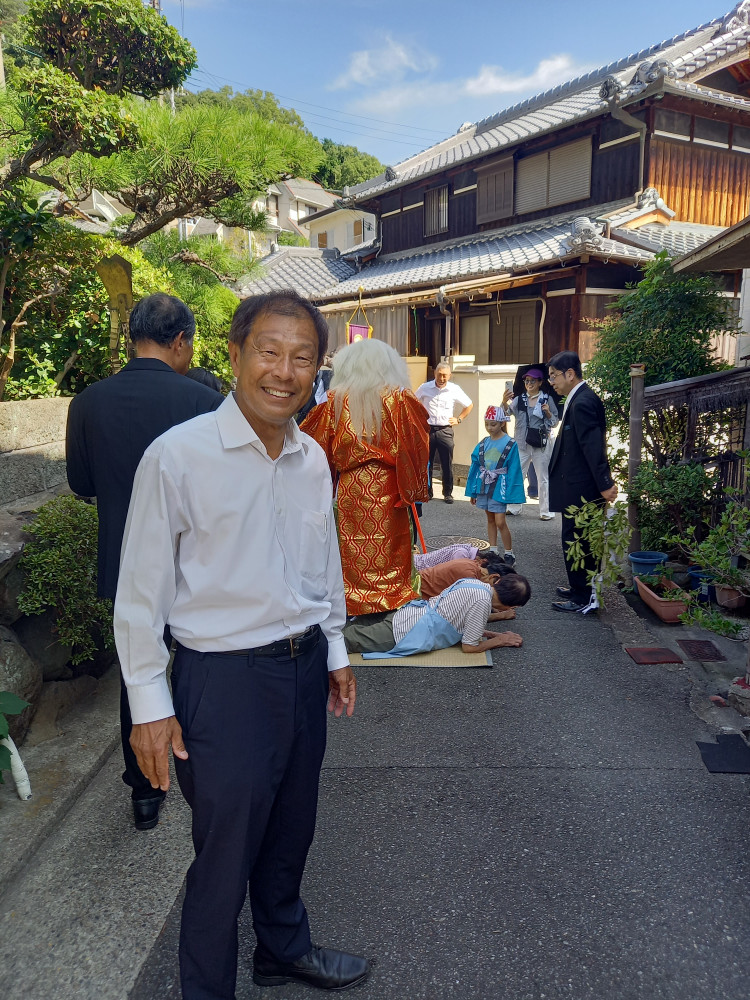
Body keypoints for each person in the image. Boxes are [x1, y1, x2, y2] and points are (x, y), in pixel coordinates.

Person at [113, 289, 369, 999]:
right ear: (233, 354)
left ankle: (282, 948)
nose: (284, 372)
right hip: (220, 681)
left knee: (292, 824)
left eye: (302, 358)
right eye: (269, 351)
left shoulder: (312, 457)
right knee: (225, 853)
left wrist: (337, 649)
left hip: (302, 666)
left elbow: (324, 564)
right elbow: (140, 594)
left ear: (317, 369)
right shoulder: (178, 457)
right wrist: (149, 707)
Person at [65, 292, 223, 831]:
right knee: (200, 667)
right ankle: (205, 769)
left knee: (140, 672)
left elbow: (80, 483)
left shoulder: (87, 402)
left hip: (122, 559)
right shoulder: (203, 403)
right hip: (195, 563)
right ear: (180, 341)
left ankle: (145, 792)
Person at [302, 338, 429, 616]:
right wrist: (413, 490)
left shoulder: (335, 400)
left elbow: (315, 447)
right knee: (390, 546)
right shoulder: (399, 398)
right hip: (388, 485)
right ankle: (392, 606)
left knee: (351, 547)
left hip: (351, 487)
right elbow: (415, 445)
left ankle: (352, 603)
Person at [547, 350, 617, 613]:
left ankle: (583, 597)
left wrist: (605, 484)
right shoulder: (577, 400)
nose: (552, 382)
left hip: (583, 490)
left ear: (570, 374)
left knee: (582, 541)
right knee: (575, 538)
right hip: (576, 488)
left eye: (554, 376)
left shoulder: (583, 402)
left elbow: (593, 448)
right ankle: (579, 589)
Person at [342, 577, 526, 657]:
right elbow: (470, 647)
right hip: (407, 631)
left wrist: (495, 635)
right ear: (512, 605)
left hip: (408, 614)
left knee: (350, 626)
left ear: (499, 581)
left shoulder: (473, 583)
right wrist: (501, 640)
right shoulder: (483, 603)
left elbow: (461, 626)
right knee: (347, 641)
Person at [465, 405, 525, 565]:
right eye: (487, 424)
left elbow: (514, 469)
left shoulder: (510, 443)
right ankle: (493, 550)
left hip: (500, 486)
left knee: (500, 521)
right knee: (490, 519)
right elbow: (475, 465)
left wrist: (513, 493)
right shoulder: (484, 443)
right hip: (484, 485)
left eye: (493, 424)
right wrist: (473, 491)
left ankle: (509, 552)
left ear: (502, 423)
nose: (489, 428)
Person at [503, 367, 559, 520]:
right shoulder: (519, 399)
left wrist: (547, 412)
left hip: (541, 444)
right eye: (527, 381)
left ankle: (546, 511)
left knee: (543, 478)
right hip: (521, 443)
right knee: (517, 475)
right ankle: (514, 507)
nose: (529, 383)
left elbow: (554, 422)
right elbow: (505, 415)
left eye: (533, 381)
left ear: (540, 382)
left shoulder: (547, 399)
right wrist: (503, 401)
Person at [415, 361, 473, 503]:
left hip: (445, 430)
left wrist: (459, 419)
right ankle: (427, 492)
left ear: (449, 375)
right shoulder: (425, 387)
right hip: (428, 429)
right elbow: (413, 402)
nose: (442, 378)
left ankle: (447, 493)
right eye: (439, 375)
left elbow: (469, 404)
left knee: (446, 463)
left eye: (445, 376)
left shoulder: (454, 389)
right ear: (435, 374)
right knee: (426, 463)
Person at [419, 556, 530, 623]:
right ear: (493, 577)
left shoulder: (472, 565)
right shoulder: (470, 578)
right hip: (418, 600)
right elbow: (467, 617)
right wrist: (501, 615)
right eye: (497, 587)